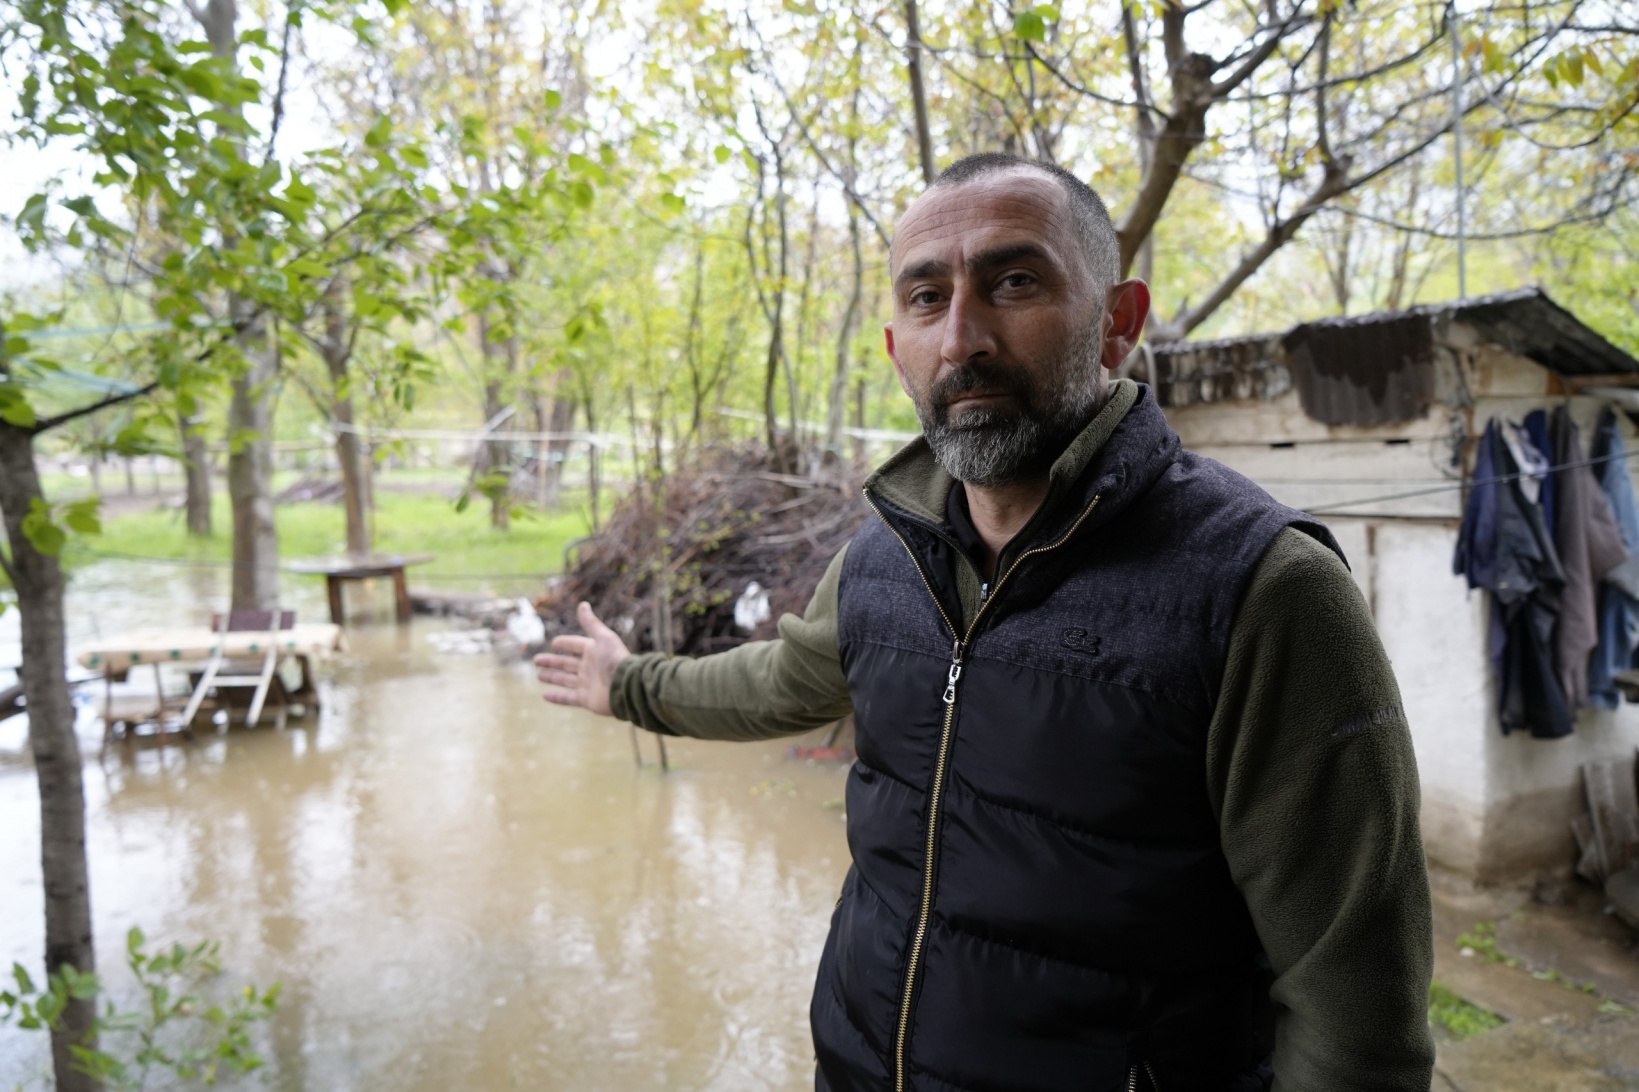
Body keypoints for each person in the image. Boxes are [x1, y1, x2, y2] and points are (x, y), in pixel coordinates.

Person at [535, 153, 1434, 1092]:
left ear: (1117, 323)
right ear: (897, 349)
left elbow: (1354, 1016)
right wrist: (627, 683)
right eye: (927, 298)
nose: (961, 338)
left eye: (1013, 282)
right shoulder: (883, 559)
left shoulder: (1262, 588)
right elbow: (778, 682)